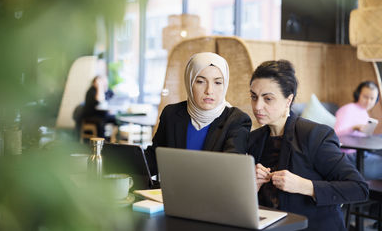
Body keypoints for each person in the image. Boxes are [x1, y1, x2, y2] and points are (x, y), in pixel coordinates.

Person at [247, 60, 368, 231]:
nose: (257, 106)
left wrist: (304, 186)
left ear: (288, 100)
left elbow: (358, 188)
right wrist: (252, 187)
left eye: (268, 99)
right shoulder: (253, 140)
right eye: (254, 97)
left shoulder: (314, 135)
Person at [145, 52, 252, 175]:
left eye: (217, 83)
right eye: (201, 81)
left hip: (213, 193)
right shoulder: (171, 114)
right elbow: (154, 159)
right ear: (189, 83)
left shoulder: (236, 120)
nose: (209, 91)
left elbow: (231, 169)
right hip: (173, 192)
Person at [334, 81, 382, 180]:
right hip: (350, 157)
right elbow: (336, 136)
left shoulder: (364, 112)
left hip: (362, 153)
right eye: (365, 97)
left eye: (372, 98)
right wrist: (354, 127)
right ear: (358, 95)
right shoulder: (348, 109)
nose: (368, 101)